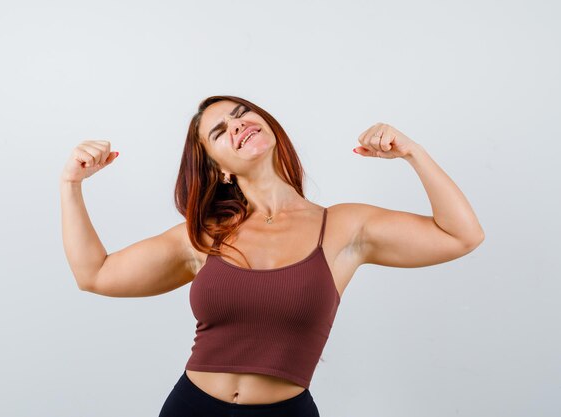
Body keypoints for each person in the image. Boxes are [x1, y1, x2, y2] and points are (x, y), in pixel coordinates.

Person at [60, 95, 485, 416]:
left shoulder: (344, 227)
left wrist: (411, 152)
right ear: (218, 168)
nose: (237, 126)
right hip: (192, 407)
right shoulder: (203, 237)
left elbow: (461, 235)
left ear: (268, 125)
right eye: (219, 131)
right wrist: (71, 184)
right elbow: (95, 274)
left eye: (241, 114)